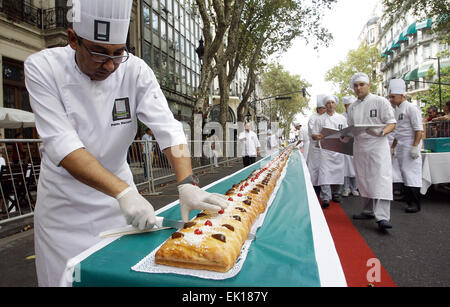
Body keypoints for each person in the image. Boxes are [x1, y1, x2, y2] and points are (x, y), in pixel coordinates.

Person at [24, 0, 228, 287]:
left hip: (121, 206)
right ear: (73, 39)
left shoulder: (136, 70)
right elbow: (64, 146)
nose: (109, 65)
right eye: (98, 53)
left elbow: (169, 128)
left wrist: (188, 182)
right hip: (64, 210)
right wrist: (123, 193)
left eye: (118, 54)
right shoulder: (42, 67)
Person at [346, 72, 396, 231]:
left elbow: (391, 123)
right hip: (360, 146)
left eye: (361, 84)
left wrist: (381, 133)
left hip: (377, 145)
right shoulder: (352, 107)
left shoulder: (380, 101)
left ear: (369, 85)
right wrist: (342, 137)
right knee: (363, 178)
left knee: (381, 179)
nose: (358, 88)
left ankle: (382, 217)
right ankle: (367, 210)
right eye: (355, 85)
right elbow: (351, 128)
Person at [389, 79, 423, 213]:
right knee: (404, 172)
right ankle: (407, 197)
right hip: (402, 146)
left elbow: (419, 130)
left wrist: (415, 147)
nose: (391, 99)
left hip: (410, 146)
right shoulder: (397, 110)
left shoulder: (411, 108)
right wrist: (393, 147)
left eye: (393, 97)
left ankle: (415, 203)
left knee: (412, 174)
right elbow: (398, 131)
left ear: (401, 95)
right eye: (390, 97)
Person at [312, 95, 347, 208]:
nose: (330, 105)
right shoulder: (320, 119)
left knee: (339, 172)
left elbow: (346, 133)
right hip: (325, 150)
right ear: (325, 105)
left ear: (335, 104)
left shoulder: (342, 118)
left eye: (332, 102)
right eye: (328, 103)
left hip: (338, 150)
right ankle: (325, 197)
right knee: (324, 173)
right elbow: (313, 134)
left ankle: (337, 193)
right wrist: (319, 136)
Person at [341, 96, 359, 197]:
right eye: (349, 106)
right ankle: (346, 188)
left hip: (356, 143)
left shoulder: (358, 115)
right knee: (346, 167)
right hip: (345, 144)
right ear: (345, 106)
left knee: (355, 167)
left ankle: (355, 188)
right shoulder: (342, 117)